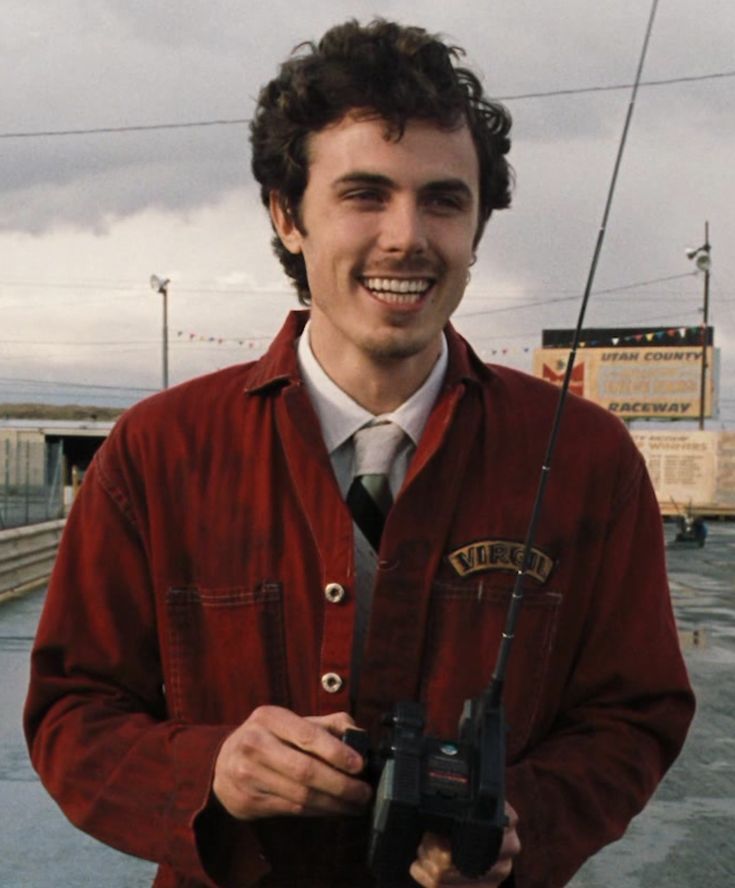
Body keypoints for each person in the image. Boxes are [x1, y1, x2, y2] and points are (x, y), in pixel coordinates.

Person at [24, 18, 694, 888]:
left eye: (444, 200)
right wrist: (212, 768)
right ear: (286, 215)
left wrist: (516, 824)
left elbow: (634, 713)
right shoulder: (159, 453)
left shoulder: (585, 457)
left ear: (478, 226)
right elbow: (72, 714)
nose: (406, 236)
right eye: (364, 194)